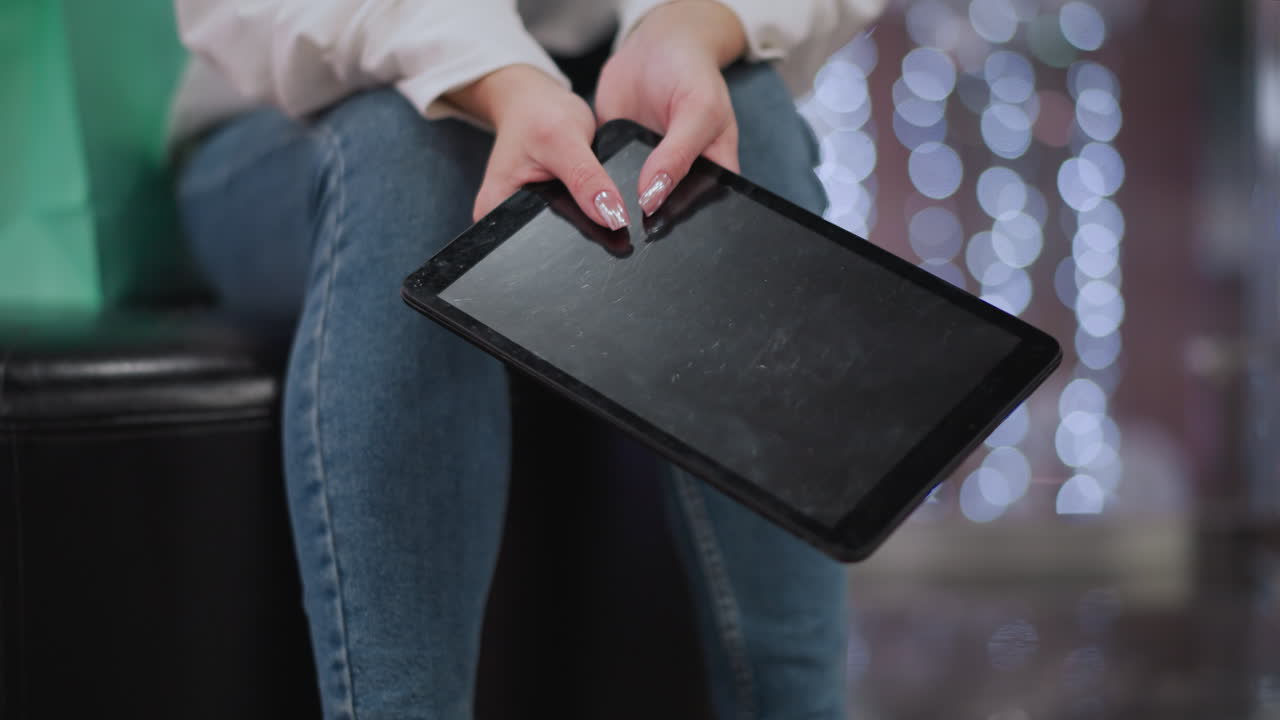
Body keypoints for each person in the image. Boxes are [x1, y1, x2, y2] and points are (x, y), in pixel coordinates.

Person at [172, 1, 884, 718]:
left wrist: (690, 24)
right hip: (297, 111)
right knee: (408, 153)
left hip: (603, 77)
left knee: (742, 106)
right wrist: (497, 79)